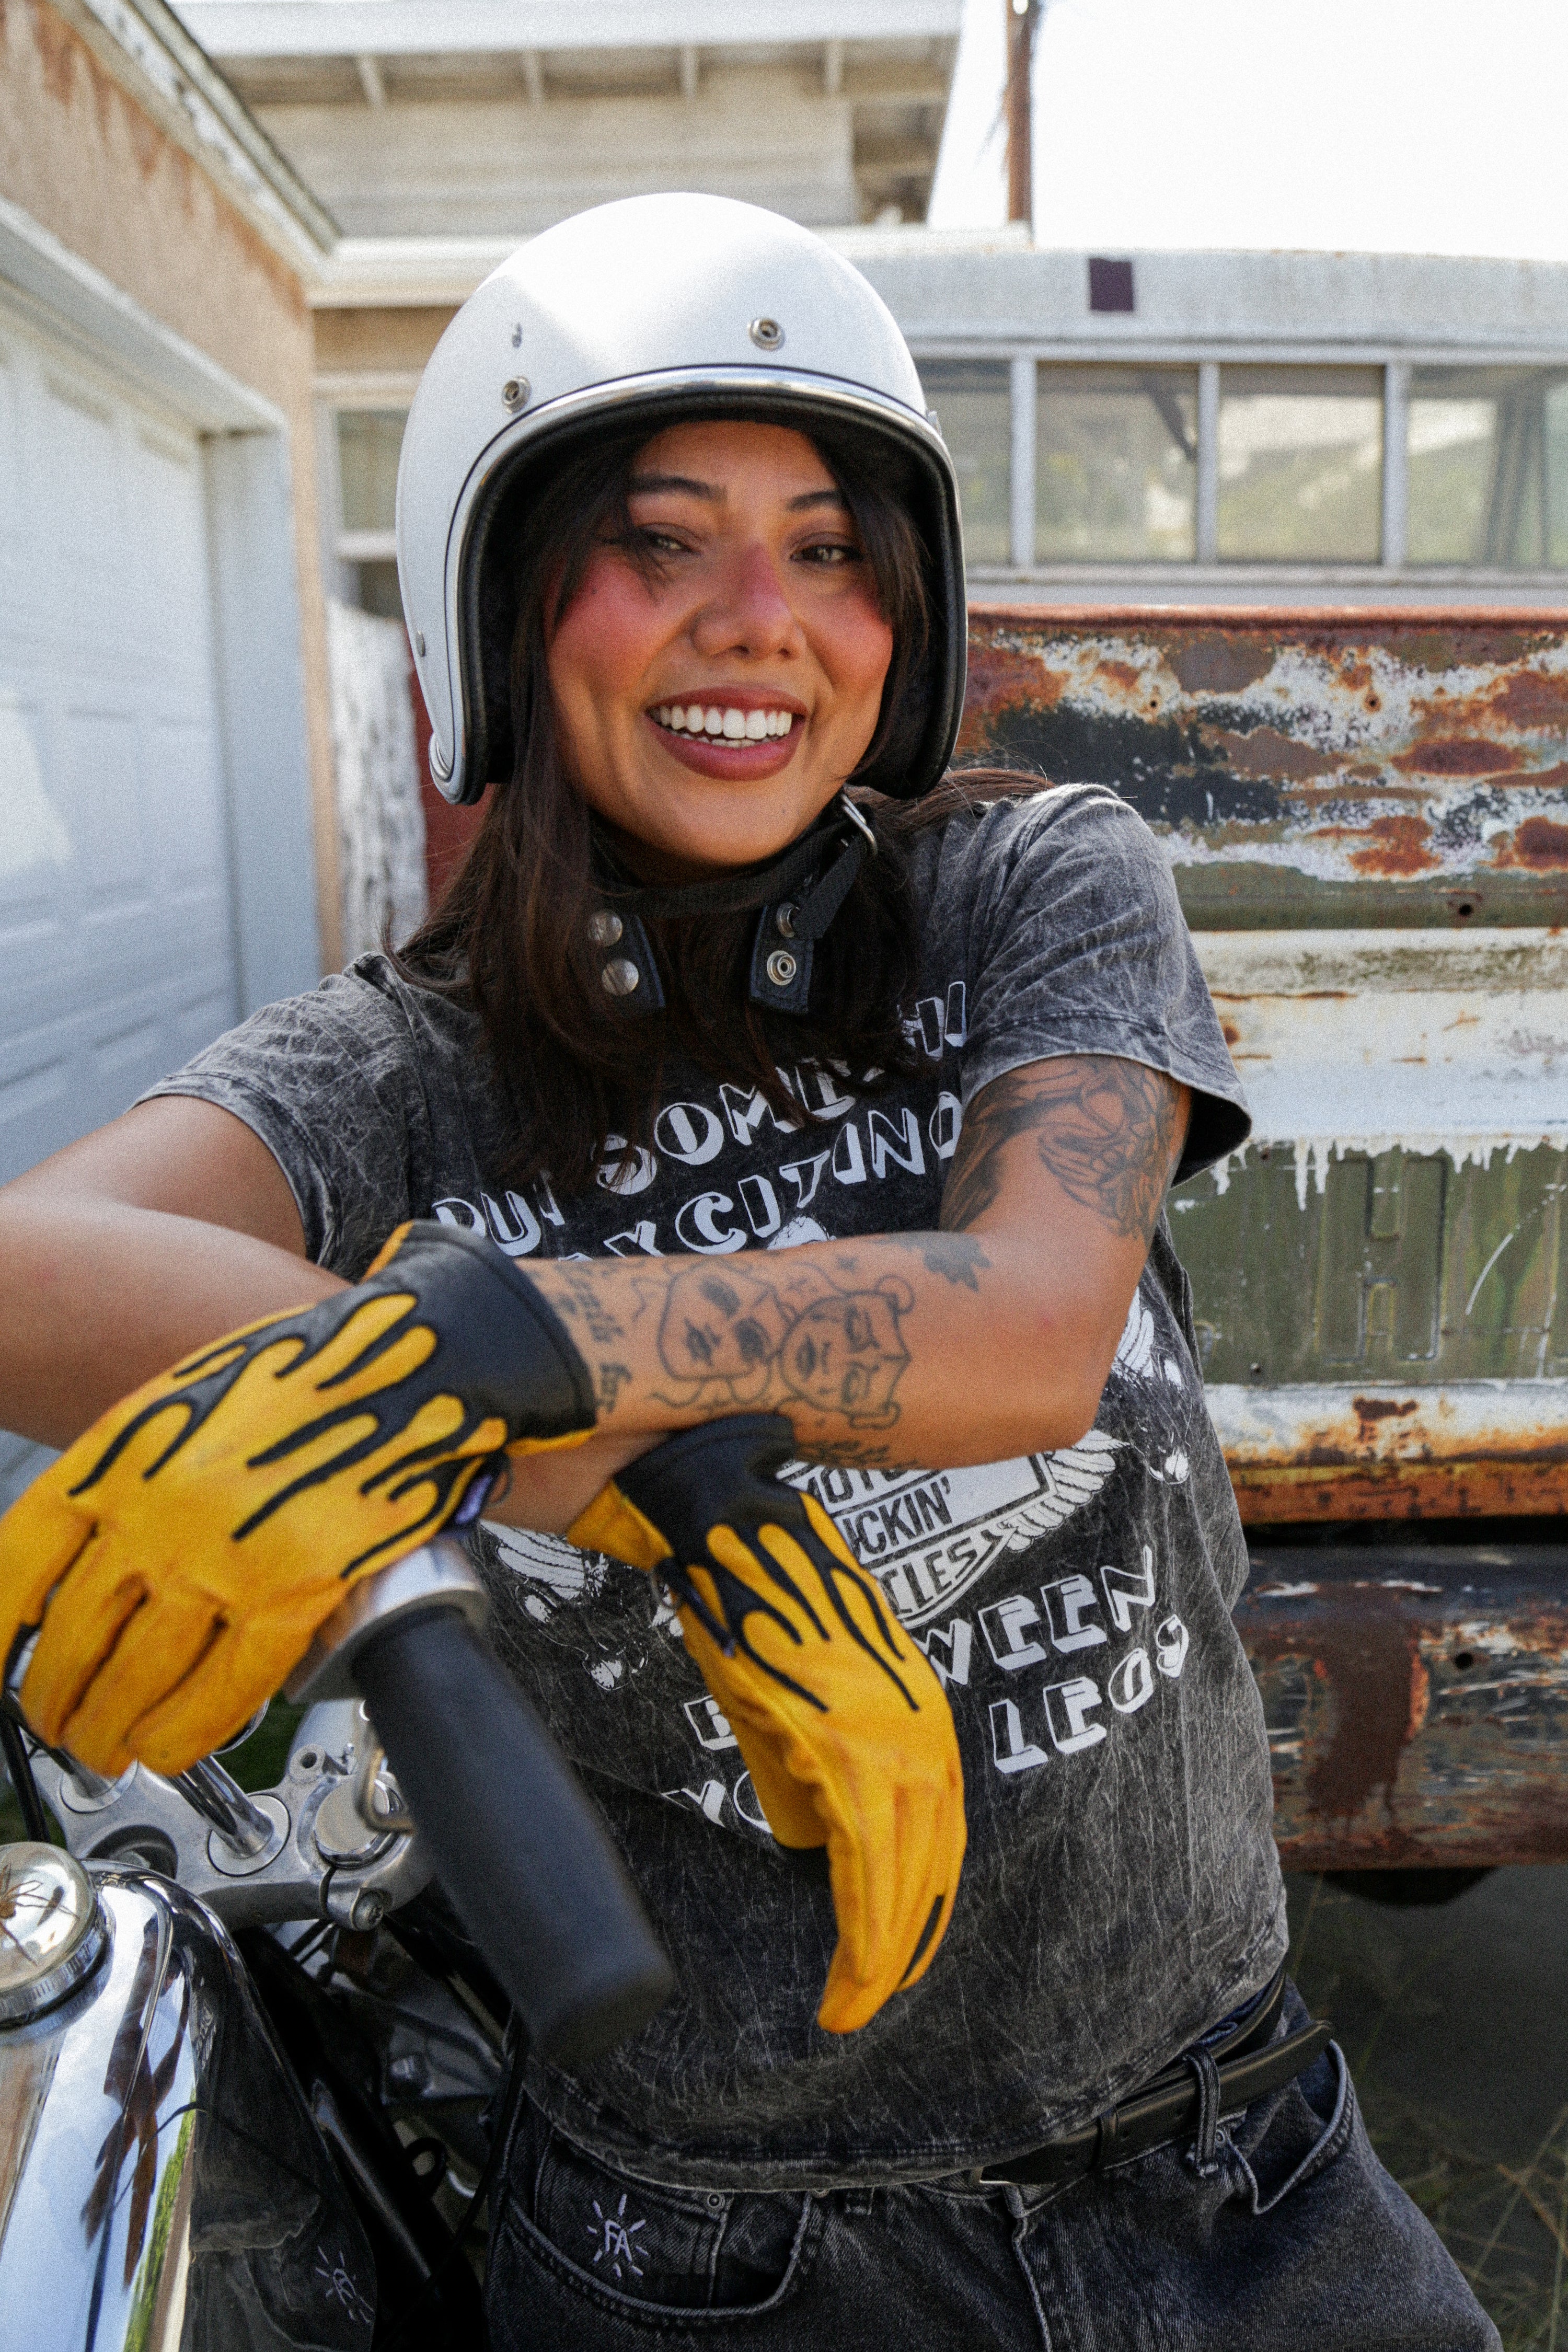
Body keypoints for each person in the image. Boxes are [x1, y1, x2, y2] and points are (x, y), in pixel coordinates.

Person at [0, 195, 1495, 2349]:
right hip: (716, 2263)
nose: (757, 622)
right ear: (504, 610)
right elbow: (36, 1262)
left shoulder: (1027, 888)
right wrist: (642, 1480)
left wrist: (509, 1355)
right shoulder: (403, 1070)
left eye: (827, 548)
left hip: (1236, 2169)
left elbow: (1033, 1319)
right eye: (663, 541)